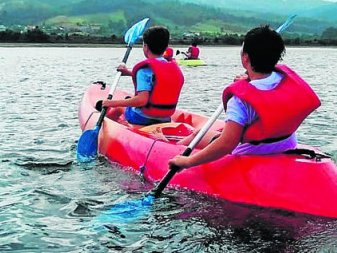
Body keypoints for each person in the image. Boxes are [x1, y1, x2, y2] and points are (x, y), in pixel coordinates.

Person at [169, 24, 320, 169]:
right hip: (286, 144)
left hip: (252, 152)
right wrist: (247, 82)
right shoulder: (284, 80)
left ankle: (169, 150)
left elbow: (227, 144)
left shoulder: (240, 100)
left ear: (245, 58)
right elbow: (266, 88)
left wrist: (188, 162)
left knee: (198, 135)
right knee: (212, 133)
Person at [98, 25, 184, 125]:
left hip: (143, 118)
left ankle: (106, 128)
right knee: (128, 101)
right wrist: (129, 73)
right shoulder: (171, 66)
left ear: (146, 47)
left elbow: (142, 100)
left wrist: (112, 103)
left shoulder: (143, 70)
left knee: (120, 107)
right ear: (165, 47)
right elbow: (157, 79)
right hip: (165, 117)